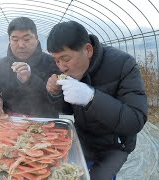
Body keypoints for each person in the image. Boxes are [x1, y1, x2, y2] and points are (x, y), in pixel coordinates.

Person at [46, 20, 147, 180]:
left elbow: (135, 120)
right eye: (56, 60)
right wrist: (56, 93)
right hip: (82, 139)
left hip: (114, 146)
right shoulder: (68, 68)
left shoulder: (123, 65)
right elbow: (68, 109)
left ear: (88, 50)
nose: (62, 67)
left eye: (65, 58)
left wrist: (91, 98)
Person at [0, 17, 60, 117]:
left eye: (26, 39)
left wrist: (30, 79)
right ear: (9, 40)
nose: (21, 45)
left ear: (36, 38)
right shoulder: (2, 63)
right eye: (15, 40)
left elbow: (59, 99)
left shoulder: (52, 62)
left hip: (46, 123)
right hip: (10, 124)